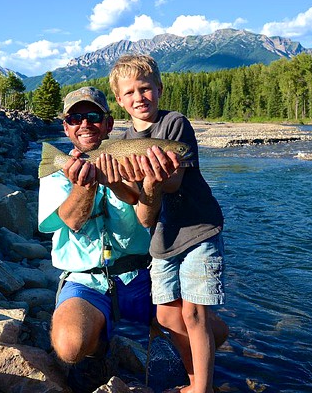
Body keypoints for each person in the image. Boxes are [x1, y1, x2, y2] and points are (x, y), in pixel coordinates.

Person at [37, 86, 178, 391]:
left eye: (93, 116)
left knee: (211, 331)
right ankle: (100, 349)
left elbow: (148, 216)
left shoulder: (133, 157)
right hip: (86, 281)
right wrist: (85, 185)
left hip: (142, 277)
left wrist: (146, 185)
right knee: (71, 346)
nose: (84, 124)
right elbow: (72, 221)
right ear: (66, 126)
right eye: (75, 118)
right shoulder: (55, 171)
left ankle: (163, 349)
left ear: (109, 124)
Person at [109, 54, 229, 393]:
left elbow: (174, 184)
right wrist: (111, 180)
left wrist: (151, 175)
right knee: (165, 317)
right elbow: (142, 210)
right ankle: (199, 369)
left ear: (159, 90)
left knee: (193, 315)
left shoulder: (174, 125)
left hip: (198, 229)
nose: (138, 97)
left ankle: (201, 387)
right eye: (129, 92)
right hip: (162, 238)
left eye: (145, 89)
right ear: (120, 100)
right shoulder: (122, 145)